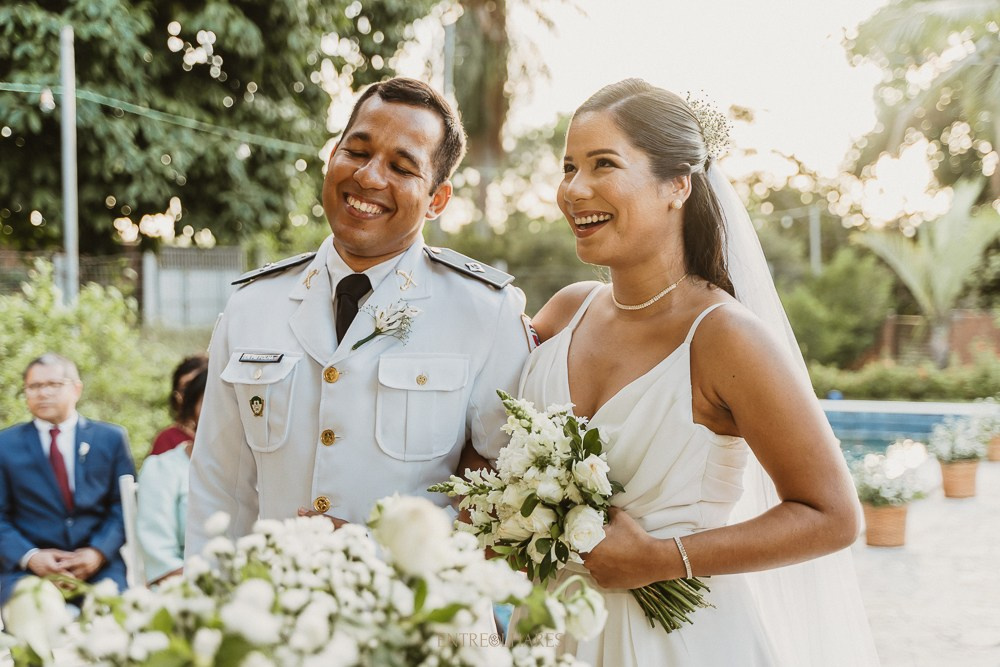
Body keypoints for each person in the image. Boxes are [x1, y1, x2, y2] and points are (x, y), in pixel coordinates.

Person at [519, 79, 878, 665]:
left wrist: (661, 559)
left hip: (677, 643)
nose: (573, 190)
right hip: (549, 632)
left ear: (677, 184)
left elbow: (833, 516)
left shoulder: (724, 338)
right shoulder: (564, 311)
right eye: (568, 167)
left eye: (602, 164)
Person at [186, 77, 531, 557]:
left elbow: (503, 493)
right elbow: (219, 487)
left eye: (402, 166)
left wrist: (375, 551)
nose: (369, 177)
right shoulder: (252, 304)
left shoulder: (485, 311)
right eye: (357, 151)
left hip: (422, 618)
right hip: (276, 618)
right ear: (332, 158)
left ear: (438, 199)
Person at [0, 353, 135, 613]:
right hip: (26, 572)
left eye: (53, 384)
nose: (43, 393)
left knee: (115, 624)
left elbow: (124, 507)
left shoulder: (111, 439)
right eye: (34, 386)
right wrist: (32, 557)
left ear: (76, 388)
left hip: (100, 567)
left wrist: (97, 553)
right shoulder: (5, 445)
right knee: (34, 622)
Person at [136, 367, 207, 584]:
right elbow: (160, 557)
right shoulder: (163, 469)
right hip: (183, 589)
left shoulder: (263, 471)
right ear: (192, 412)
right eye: (210, 403)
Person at [148, 355, 208, 457]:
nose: (193, 394)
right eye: (186, 389)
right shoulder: (167, 439)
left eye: (201, 387)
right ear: (177, 396)